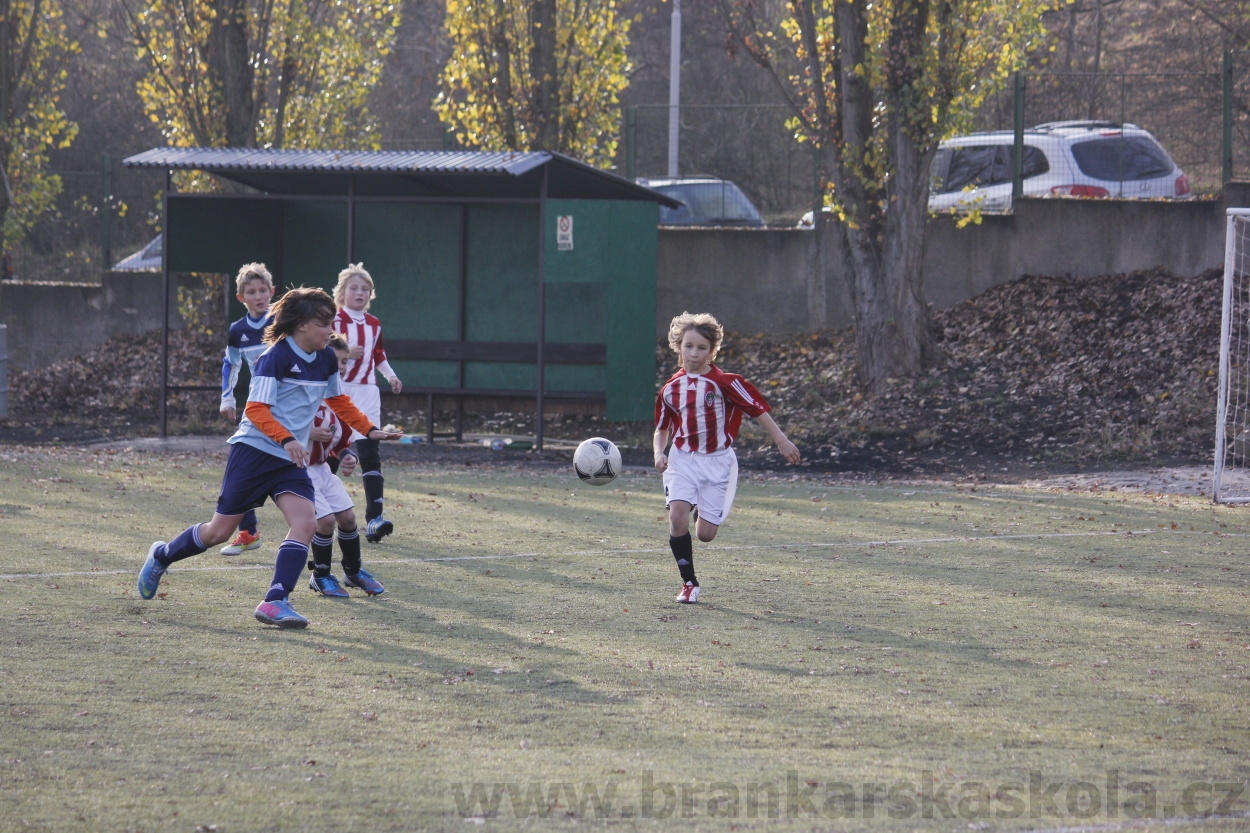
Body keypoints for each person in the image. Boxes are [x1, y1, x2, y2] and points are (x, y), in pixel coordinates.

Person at [137, 287, 400, 628]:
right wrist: (289, 438)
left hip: (288, 459)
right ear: (303, 324)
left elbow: (338, 402)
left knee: (307, 522)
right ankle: (163, 555)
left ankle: (275, 600)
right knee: (218, 532)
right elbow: (257, 410)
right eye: (325, 323)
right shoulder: (274, 357)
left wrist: (369, 428)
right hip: (254, 453)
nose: (331, 330)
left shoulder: (324, 359)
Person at [652, 312, 801, 604]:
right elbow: (662, 428)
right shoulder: (670, 388)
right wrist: (659, 452)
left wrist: (781, 441)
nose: (694, 353)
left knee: (705, 534)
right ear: (678, 346)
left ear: (712, 351)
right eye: (688, 346)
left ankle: (701, 506)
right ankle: (690, 584)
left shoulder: (726, 383)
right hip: (682, 460)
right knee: (677, 518)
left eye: (701, 348)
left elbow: (758, 410)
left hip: (719, 463)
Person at [306, 333, 386, 597]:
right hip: (298, 469)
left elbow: (341, 441)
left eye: (344, 361)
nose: (341, 366)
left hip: (321, 469)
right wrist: (307, 434)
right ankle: (320, 575)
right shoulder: (306, 390)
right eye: (337, 360)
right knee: (326, 521)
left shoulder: (336, 398)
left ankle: (352, 572)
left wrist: (347, 456)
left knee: (348, 518)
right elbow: (280, 422)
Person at [332, 263, 403, 543]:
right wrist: (346, 351)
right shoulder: (334, 321)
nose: (359, 293)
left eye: (365, 289)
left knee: (370, 455)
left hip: (368, 392)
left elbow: (379, 354)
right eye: (354, 288)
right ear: (342, 292)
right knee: (332, 452)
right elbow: (323, 350)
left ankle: (374, 519)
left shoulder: (374, 323)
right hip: (339, 390)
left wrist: (391, 376)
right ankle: (321, 513)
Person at [218, 263, 276, 556]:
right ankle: (249, 531)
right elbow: (231, 364)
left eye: (262, 290)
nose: (258, 296)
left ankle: (323, 526)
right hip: (259, 408)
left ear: (272, 292)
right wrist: (227, 398)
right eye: (251, 292)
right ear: (241, 298)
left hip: (290, 408)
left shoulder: (282, 321)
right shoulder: (237, 331)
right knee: (240, 467)